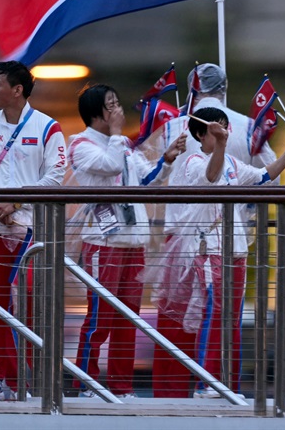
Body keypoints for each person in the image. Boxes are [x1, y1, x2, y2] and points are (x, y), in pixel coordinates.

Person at [148, 63, 279, 398]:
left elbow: (152, 177)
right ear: (225, 87)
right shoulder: (248, 127)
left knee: (177, 319)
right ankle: (221, 384)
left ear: (192, 88)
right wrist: (246, 208)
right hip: (230, 234)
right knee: (224, 316)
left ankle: (171, 390)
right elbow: (271, 179)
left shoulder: (174, 126)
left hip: (179, 235)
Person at [158, 107, 285, 399]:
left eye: (225, 129)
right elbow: (210, 179)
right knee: (215, 315)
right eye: (216, 130)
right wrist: (222, 144)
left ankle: (227, 384)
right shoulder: (193, 162)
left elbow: (264, 177)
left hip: (236, 249)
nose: (223, 134)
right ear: (200, 134)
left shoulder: (233, 164)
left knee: (232, 319)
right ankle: (206, 385)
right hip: (210, 249)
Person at [66, 84, 187, 399]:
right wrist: (119, 134)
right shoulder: (80, 144)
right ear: (96, 113)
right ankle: (87, 385)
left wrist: (169, 158)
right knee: (99, 319)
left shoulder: (124, 146)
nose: (118, 110)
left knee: (127, 320)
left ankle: (122, 387)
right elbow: (110, 166)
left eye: (118, 102)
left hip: (134, 241)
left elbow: (149, 180)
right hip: (102, 242)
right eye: (111, 105)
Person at [0, 61, 66, 401]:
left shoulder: (47, 128)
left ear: (18, 90)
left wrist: (16, 203)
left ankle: (32, 377)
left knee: (29, 306)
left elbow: (55, 177)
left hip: (30, 231)